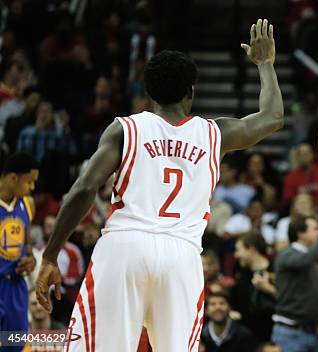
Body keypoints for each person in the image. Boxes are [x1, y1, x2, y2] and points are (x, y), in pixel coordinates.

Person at [36, 18, 284, 351]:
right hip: (181, 255)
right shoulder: (215, 133)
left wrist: (50, 256)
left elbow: (83, 189)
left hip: (125, 247)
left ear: (149, 93)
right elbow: (272, 117)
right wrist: (265, 64)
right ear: (191, 92)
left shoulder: (126, 129)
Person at [272, 215, 318, 352]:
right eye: (315, 229)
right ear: (300, 233)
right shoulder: (287, 254)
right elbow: (304, 261)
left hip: (312, 331)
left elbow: (303, 290)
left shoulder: (310, 259)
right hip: (290, 332)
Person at [0, 152, 38, 352]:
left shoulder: (27, 203)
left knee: (15, 346)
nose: (32, 188)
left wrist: (30, 259)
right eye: (29, 182)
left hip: (15, 287)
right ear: (13, 178)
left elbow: (28, 244)